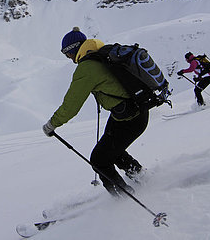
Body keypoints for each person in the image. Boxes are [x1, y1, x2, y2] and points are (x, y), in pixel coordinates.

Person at [42, 27, 147, 197]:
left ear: (73, 49)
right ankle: (141, 177)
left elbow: (71, 105)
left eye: (66, 53)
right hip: (132, 111)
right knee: (112, 152)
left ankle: (124, 199)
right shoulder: (102, 55)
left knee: (99, 161)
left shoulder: (87, 68)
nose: (68, 58)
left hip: (129, 117)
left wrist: (51, 124)